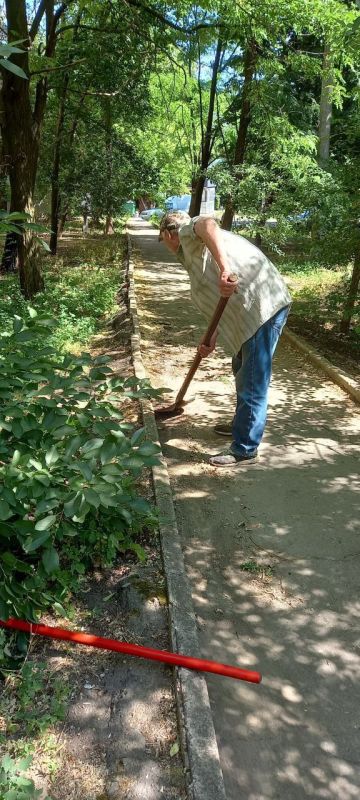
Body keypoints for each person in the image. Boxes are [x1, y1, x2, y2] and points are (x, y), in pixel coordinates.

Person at [158, 211, 291, 468]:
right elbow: (215, 300)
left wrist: (225, 268)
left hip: (261, 309)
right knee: (241, 369)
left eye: (162, 240)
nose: (165, 245)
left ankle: (245, 449)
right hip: (250, 313)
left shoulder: (186, 232)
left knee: (252, 380)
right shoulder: (193, 253)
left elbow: (206, 223)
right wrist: (212, 336)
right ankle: (242, 425)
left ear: (167, 233)